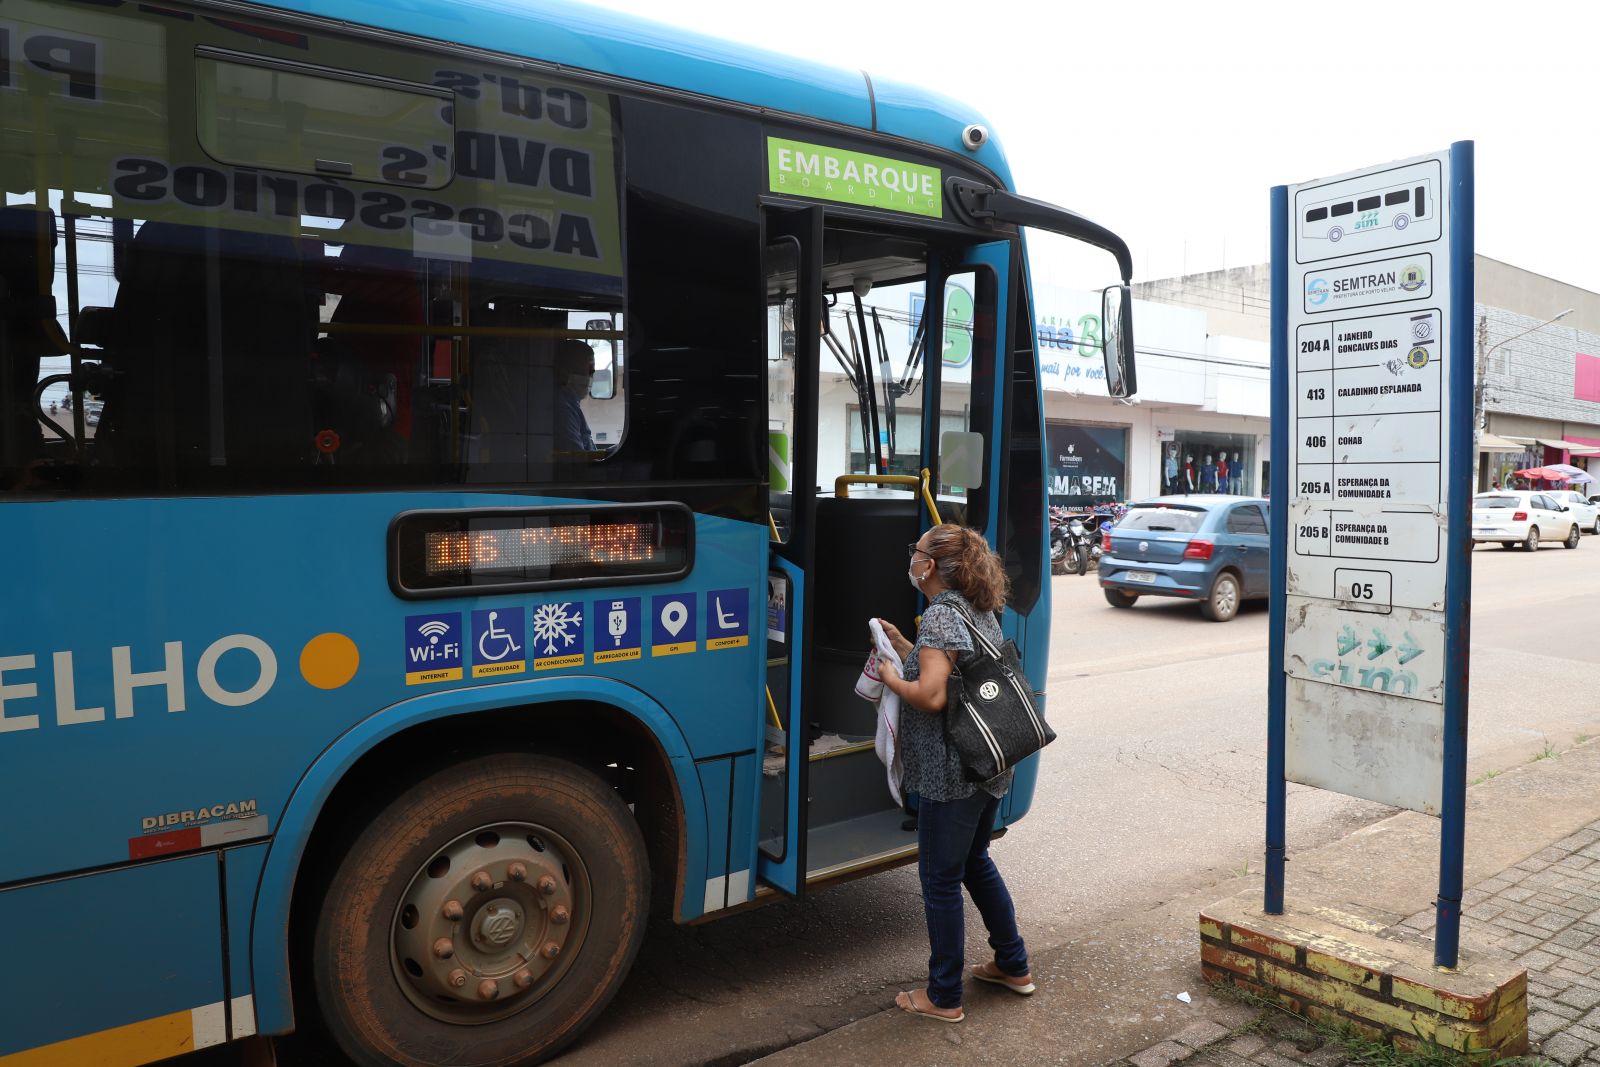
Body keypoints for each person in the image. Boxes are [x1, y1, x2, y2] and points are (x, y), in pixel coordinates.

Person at [875, 524, 1034, 1023]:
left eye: (917, 552)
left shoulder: (942, 616)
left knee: (940, 879)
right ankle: (1013, 964)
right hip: (988, 764)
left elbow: (934, 695)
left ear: (933, 567)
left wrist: (890, 678)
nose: (913, 559)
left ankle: (944, 996)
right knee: (975, 863)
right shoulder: (976, 607)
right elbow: (954, 675)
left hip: (952, 773)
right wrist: (906, 647)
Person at [554, 338, 595, 453]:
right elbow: (576, 460)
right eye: (588, 372)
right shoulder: (562, 409)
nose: (590, 379)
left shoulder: (571, 404)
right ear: (565, 371)